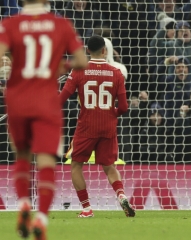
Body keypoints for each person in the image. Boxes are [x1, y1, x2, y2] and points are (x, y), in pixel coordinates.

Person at [0, 0, 88, 239]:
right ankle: (41, 219)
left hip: (17, 99)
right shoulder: (61, 25)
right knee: (46, 160)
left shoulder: (10, 24)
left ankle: (23, 206)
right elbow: (81, 61)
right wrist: (60, 65)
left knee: (22, 155)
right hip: (46, 101)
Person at [59, 35, 135, 218]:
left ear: (87, 51)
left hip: (86, 126)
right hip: (108, 126)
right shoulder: (116, 73)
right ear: (105, 51)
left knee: (76, 166)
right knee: (109, 166)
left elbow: (61, 99)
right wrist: (110, 113)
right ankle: (122, 195)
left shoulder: (79, 71)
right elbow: (124, 107)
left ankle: (87, 209)